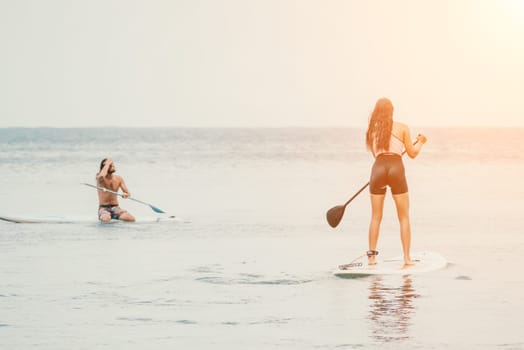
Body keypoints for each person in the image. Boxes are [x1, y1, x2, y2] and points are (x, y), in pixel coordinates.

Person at [365, 98, 426, 267]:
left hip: (377, 169)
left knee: (376, 216)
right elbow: (412, 153)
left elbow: (376, 155)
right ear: (392, 111)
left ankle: (371, 258)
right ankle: (406, 259)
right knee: (404, 216)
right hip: (396, 168)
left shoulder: (371, 131)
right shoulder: (402, 127)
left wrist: (381, 168)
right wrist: (420, 141)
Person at [96, 158, 135, 222]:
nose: (113, 166)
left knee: (131, 219)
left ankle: (115, 217)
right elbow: (101, 176)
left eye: (113, 164)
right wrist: (107, 164)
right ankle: (105, 217)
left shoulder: (119, 178)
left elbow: (128, 193)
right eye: (110, 165)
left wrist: (126, 194)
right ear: (104, 167)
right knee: (106, 219)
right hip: (104, 208)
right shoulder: (100, 177)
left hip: (115, 208)